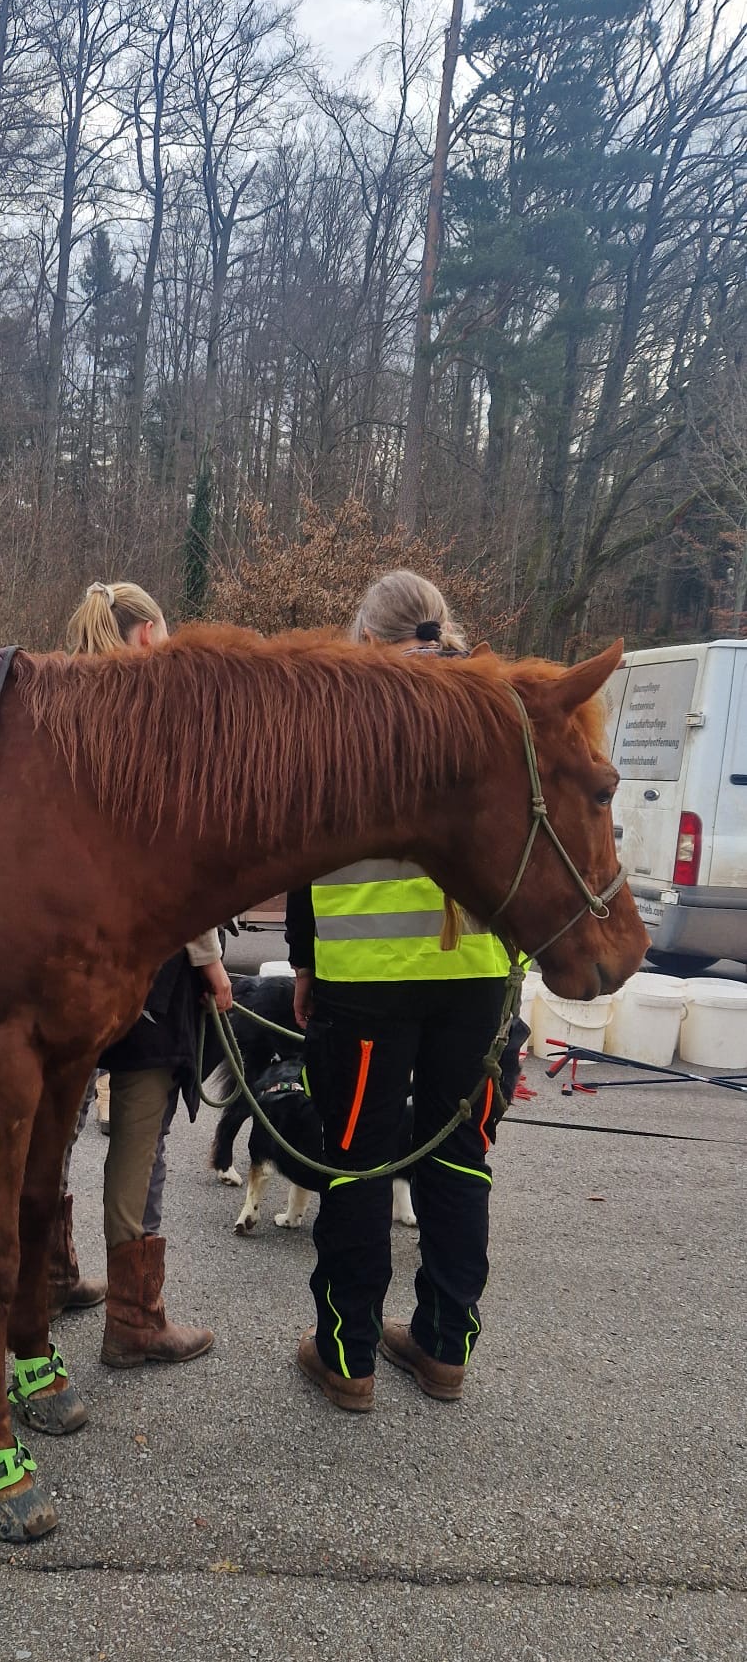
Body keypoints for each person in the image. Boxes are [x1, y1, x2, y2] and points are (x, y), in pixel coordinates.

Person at [289, 569, 511, 1412]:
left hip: (366, 985)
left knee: (357, 1163)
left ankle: (347, 1358)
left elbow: (307, 854)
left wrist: (305, 962)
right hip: (475, 982)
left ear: (367, 638)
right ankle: (444, 1347)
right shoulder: (491, 710)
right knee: (460, 1157)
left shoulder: (346, 720)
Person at [53, 580, 232, 1366]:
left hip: (66, 965)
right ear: (148, 635)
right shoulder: (154, 734)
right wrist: (212, 963)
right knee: (139, 1139)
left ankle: (51, 1277)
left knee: (52, 1132)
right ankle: (133, 1321)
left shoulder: (55, 722)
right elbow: (179, 872)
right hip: (152, 974)